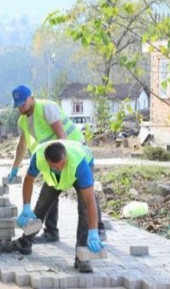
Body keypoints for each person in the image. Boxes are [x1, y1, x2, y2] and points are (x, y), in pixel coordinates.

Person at [8, 84, 105, 243]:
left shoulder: (47, 108)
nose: (20, 108)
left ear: (31, 98)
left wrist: (62, 162)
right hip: (51, 157)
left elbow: (61, 135)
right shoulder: (23, 123)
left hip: (70, 153)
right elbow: (22, 147)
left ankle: (93, 234)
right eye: (18, 106)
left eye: (22, 104)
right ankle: (40, 236)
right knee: (45, 199)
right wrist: (15, 169)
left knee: (85, 199)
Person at [1, 139, 104, 273]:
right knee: (41, 205)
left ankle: (82, 257)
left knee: (84, 211)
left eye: (61, 165)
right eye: (55, 167)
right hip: (54, 179)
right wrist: (26, 206)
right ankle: (25, 242)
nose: (59, 169)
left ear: (65, 158)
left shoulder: (80, 164)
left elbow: (90, 200)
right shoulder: (39, 157)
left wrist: (93, 231)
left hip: (77, 170)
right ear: (47, 161)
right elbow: (28, 179)